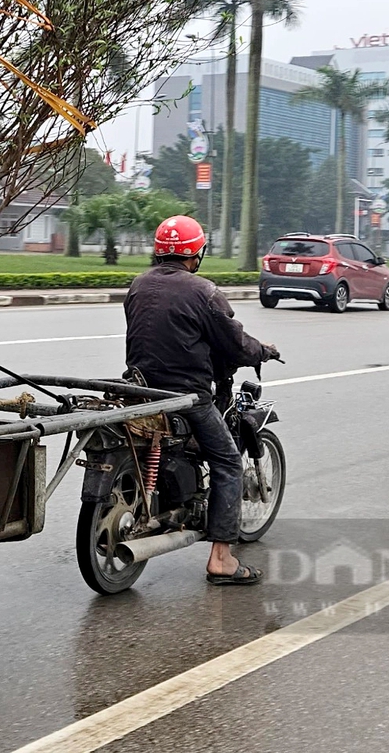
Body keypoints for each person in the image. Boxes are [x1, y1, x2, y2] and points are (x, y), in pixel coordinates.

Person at [123, 214, 279, 585]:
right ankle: (222, 559)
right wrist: (264, 351)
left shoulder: (138, 285)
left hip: (140, 388)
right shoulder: (203, 291)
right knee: (227, 463)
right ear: (196, 254)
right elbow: (236, 343)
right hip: (187, 397)